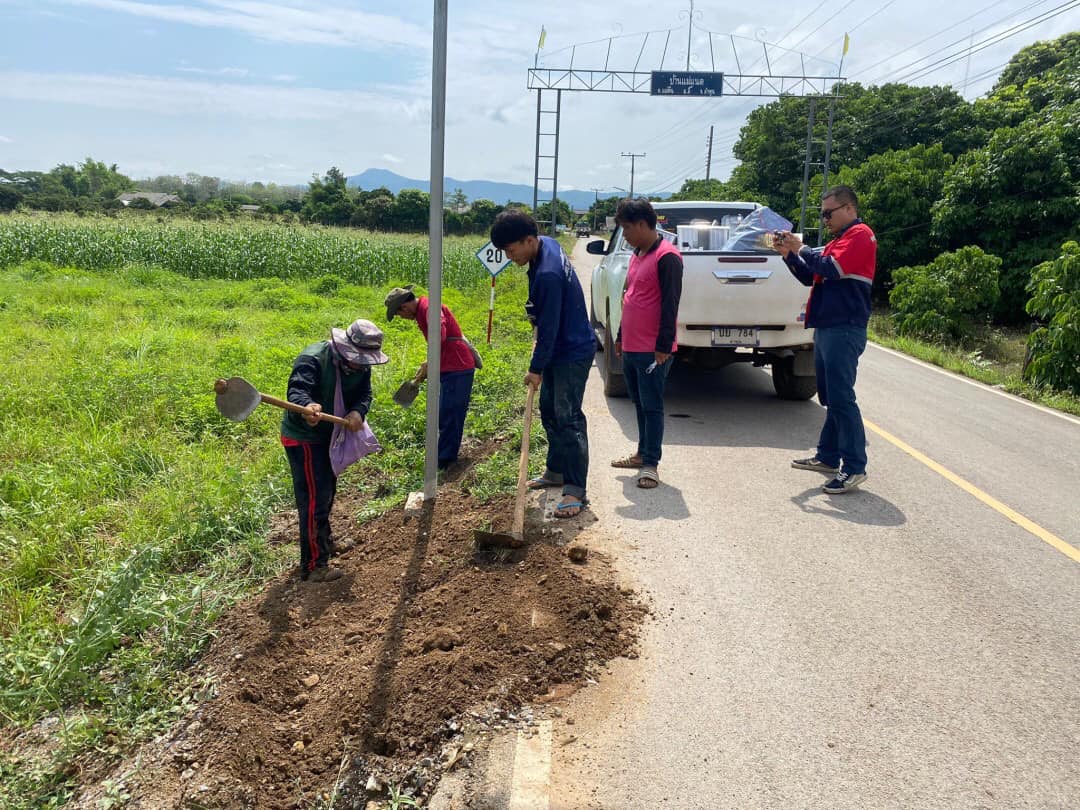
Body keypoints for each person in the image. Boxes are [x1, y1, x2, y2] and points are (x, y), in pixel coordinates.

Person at [491, 210, 596, 518]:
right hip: (558, 346)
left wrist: (535, 368)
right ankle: (556, 470)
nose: (510, 257)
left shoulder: (548, 273)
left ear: (528, 240)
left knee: (568, 417)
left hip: (571, 351)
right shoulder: (546, 243)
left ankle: (575, 489)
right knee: (549, 410)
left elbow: (548, 332)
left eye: (512, 251)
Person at [774, 185, 876, 494]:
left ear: (848, 208)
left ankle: (855, 466)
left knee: (842, 397)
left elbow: (830, 269)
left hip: (844, 328)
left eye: (827, 214)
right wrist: (788, 255)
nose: (824, 219)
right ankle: (828, 457)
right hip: (829, 326)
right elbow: (810, 276)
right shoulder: (838, 241)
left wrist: (801, 247)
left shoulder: (860, 235)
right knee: (831, 396)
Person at [281, 319, 388, 581]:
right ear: (343, 347)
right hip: (305, 437)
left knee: (326, 492)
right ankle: (314, 565)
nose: (360, 365)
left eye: (365, 361)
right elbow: (297, 391)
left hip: (330, 437)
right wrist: (308, 406)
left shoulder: (361, 367)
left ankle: (324, 544)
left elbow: (365, 395)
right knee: (313, 499)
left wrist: (357, 412)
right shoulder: (313, 358)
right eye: (356, 359)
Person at [608, 198, 683, 489]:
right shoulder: (637, 253)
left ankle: (651, 464)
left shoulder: (668, 257)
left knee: (652, 406)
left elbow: (670, 305)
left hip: (654, 350)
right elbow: (630, 298)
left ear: (641, 224)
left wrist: (663, 346)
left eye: (626, 228)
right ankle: (641, 453)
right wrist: (619, 336)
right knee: (639, 403)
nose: (624, 235)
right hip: (631, 347)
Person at [384, 284, 476, 470]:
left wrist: (430, 360)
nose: (401, 317)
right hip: (448, 365)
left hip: (457, 365)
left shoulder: (428, 307)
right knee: (446, 413)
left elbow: (439, 334)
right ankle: (444, 455)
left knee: (451, 413)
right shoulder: (422, 310)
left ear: (404, 307)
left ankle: (445, 461)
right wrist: (430, 364)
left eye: (398, 314)